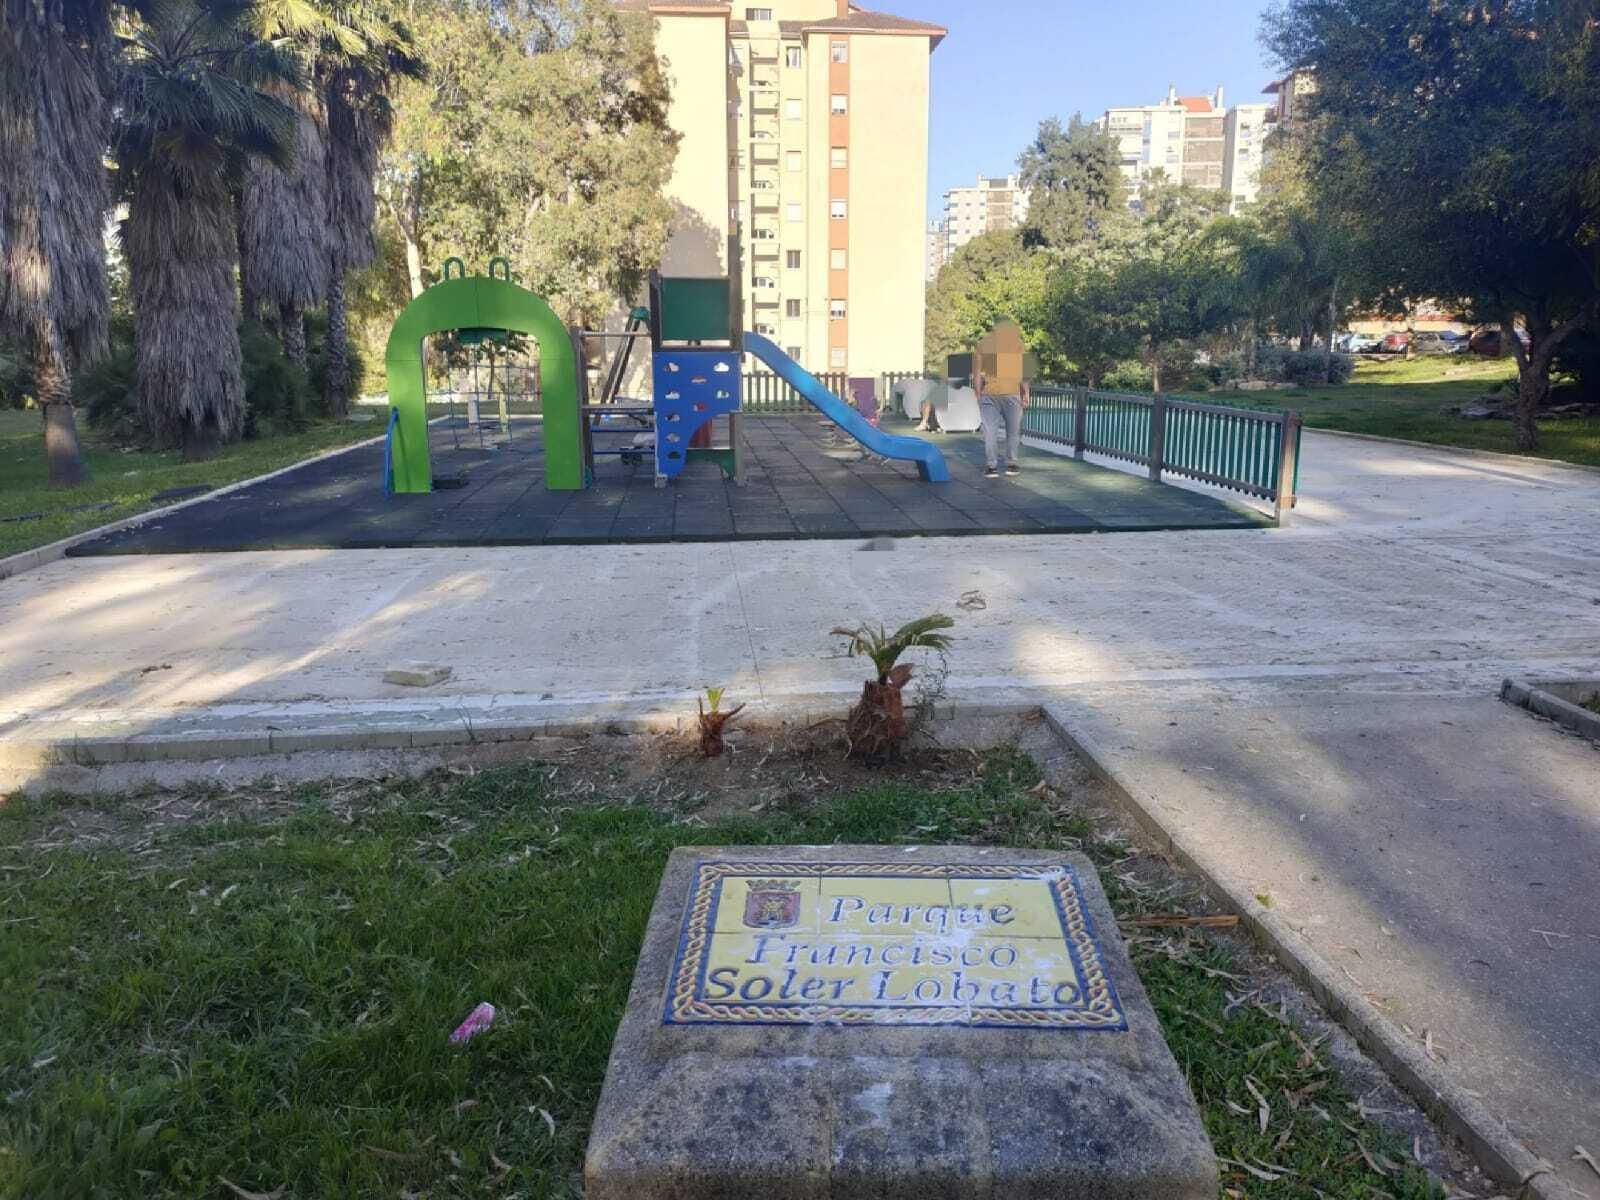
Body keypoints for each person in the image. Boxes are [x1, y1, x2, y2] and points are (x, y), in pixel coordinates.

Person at [976, 369, 1028, 478]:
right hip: (1011, 394)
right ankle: (1011, 464)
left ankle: (991, 467)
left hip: (990, 394)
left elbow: (978, 374)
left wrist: (978, 393)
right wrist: (1026, 394)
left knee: (990, 431)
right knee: (1013, 431)